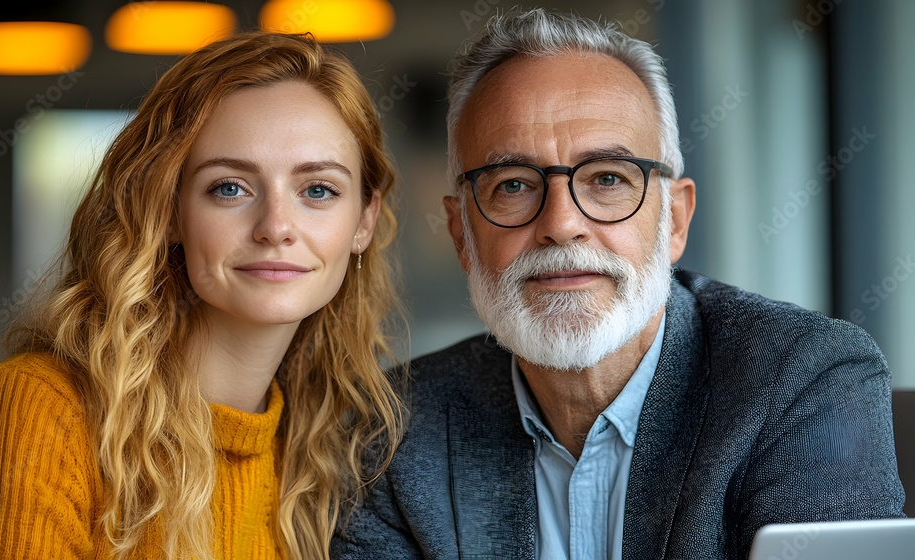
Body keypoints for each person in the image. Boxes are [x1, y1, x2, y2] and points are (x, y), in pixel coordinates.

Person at [332, 9, 905, 560]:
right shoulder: (394, 429)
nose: (560, 224)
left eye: (608, 178)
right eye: (512, 185)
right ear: (461, 233)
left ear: (674, 219)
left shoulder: (805, 380)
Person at [0, 31, 405, 560]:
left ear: (364, 221)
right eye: (229, 187)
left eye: (317, 190)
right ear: (169, 211)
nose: (276, 227)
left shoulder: (326, 452)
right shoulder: (41, 410)